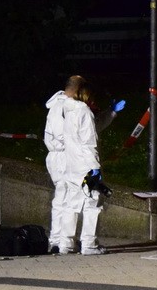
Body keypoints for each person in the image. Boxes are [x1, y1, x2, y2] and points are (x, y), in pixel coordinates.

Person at [44, 75, 124, 255]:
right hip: (85, 165)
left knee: (71, 204)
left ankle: (66, 243)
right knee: (92, 202)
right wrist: (95, 167)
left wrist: (111, 113)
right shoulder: (83, 112)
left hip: (71, 164)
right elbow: (89, 142)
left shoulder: (68, 110)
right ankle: (89, 244)